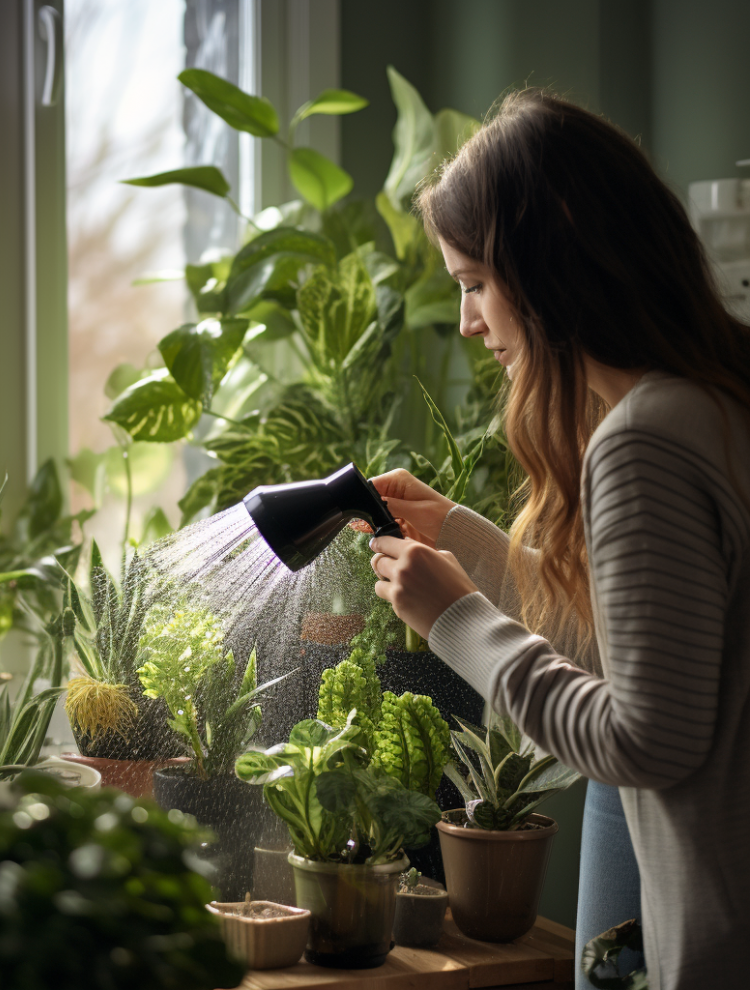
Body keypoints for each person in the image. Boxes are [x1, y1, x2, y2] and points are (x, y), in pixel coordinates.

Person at [367, 89, 750, 990]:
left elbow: (643, 738)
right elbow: (651, 655)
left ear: (553, 262)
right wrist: (464, 539)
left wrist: (453, 620)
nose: (468, 322)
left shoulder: (644, 441)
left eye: (474, 284)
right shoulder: (716, 401)